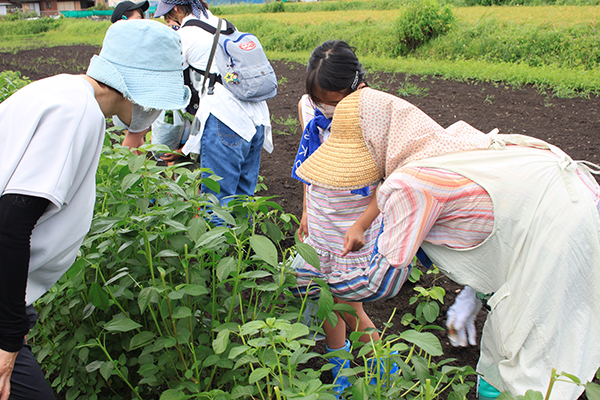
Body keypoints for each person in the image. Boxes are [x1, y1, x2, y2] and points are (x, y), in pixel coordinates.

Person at [295, 87, 600, 400]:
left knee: (530, 357)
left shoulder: (409, 185)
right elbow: (500, 218)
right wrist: (474, 293)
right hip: (560, 199)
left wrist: (313, 278)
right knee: (503, 344)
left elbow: (379, 283)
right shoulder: (441, 142)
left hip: (560, 225)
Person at [0, 20, 190, 400]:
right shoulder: (78, 112)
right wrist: (7, 341)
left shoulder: (56, 90)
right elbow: (11, 222)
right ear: (140, 86)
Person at [291, 41, 395, 396]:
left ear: (357, 88)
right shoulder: (309, 106)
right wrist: (306, 210)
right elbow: (310, 161)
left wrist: (362, 225)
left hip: (356, 222)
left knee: (348, 306)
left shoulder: (374, 114)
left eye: (334, 102)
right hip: (322, 217)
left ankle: (385, 369)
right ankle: (340, 371)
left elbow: (393, 182)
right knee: (324, 297)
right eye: (321, 100)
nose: (327, 108)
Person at [154, 0, 273, 206]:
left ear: (176, 9)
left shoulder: (186, 35)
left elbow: (167, 80)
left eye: (168, 16)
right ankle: (244, 237)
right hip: (258, 119)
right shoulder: (225, 26)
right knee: (243, 199)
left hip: (226, 120)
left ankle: (222, 239)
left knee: (217, 205)